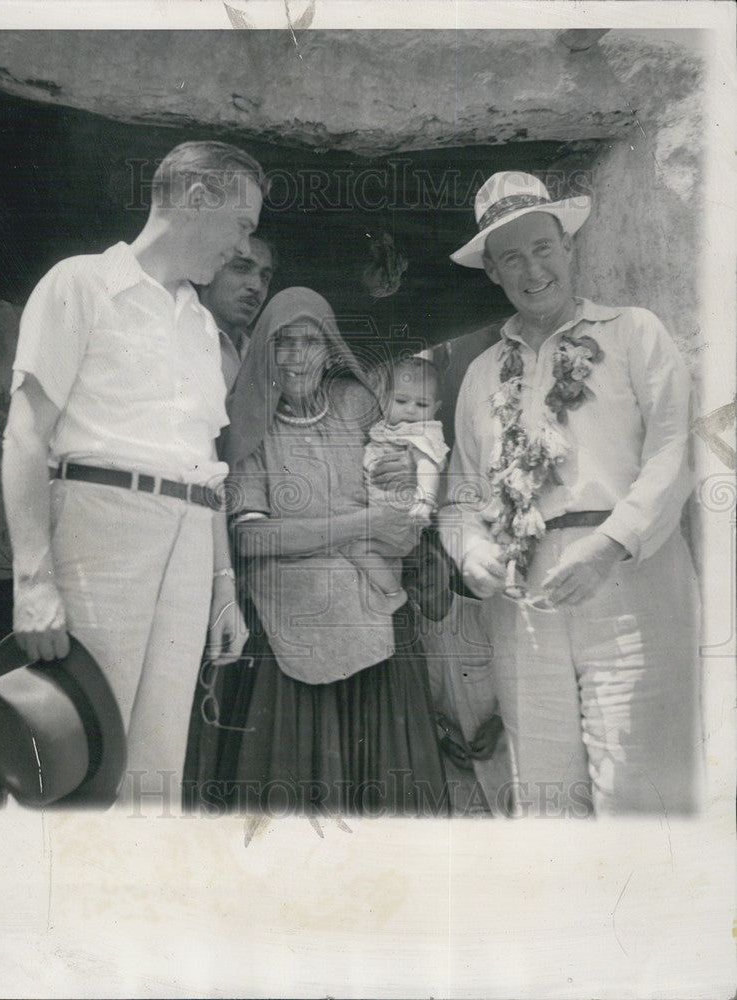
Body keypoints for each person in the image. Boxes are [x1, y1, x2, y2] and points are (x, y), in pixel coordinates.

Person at [0, 140, 265, 808]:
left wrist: (224, 587)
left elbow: (203, 465)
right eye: (242, 224)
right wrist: (34, 580)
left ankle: (138, 906)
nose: (242, 249)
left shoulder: (205, 327)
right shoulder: (81, 283)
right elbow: (26, 433)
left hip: (187, 541)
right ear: (198, 198)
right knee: (80, 751)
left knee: (156, 767)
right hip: (102, 528)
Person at [440, 170, 702, 817]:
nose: (532, 271)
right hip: (522, 601)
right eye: (511, 259)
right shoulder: (479, 376)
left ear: (569, 245)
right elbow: (460, 496)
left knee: (639, 791)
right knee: (547, 801)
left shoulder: (635, 334)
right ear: (493, 274)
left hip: (628, 582)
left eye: (542, 248)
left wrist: (610, 544)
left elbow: (678, 449)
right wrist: (471, 552)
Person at [187, 287, 449, 817]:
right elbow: (251, 538)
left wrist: (405, 479)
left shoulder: (359, 406)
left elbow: (401, 520)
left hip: (374, 621)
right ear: (266, 349)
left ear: (329, 347)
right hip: (290, 631)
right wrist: (362, 522)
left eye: (311, 342)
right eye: (284, 342)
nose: (298, 356)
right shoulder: (249, 423)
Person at [342, 353, 449, 598]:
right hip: (382, 516)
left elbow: (428, 466)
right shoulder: (386, 428)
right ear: (385, 398)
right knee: (359, 550)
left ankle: (394, 594)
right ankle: (389, 590)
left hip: (401, 519)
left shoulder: (422, 432)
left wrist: (424, 501)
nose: (411, 410)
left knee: (357, 549)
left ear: (436, 408)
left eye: (422, 405)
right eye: (401, 401)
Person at [196, 234, 276, 390]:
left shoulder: (264, 356)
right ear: (207, 272)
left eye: (265, 277)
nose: (256, 286)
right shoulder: (176, 339)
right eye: (242, 268)